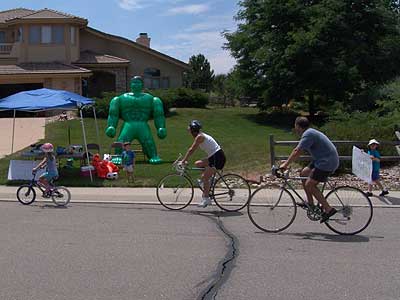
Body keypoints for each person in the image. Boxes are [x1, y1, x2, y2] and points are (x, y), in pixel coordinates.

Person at [279, 117, 339, 223]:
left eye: (295, 126)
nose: (295, 128)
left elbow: (297, 150)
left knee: (309, 184)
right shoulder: (310, 132)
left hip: (327, 162)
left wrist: (286, 164)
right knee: (303, 173)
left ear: (298, 126)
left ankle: (328, 209)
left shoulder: (308, 134)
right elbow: (298, 150)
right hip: (321, 160)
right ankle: (310, 203)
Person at [181, 120, 226, 208]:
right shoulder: (200, 135)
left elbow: (191, 150)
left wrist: (183, 160)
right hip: (214, 156)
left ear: (193, 130)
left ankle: (206, 199)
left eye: (190, 129)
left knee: (204, 178)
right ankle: (209, 181)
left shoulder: (199, 137)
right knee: (197, 164)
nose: (188, 130)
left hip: (217, 158)